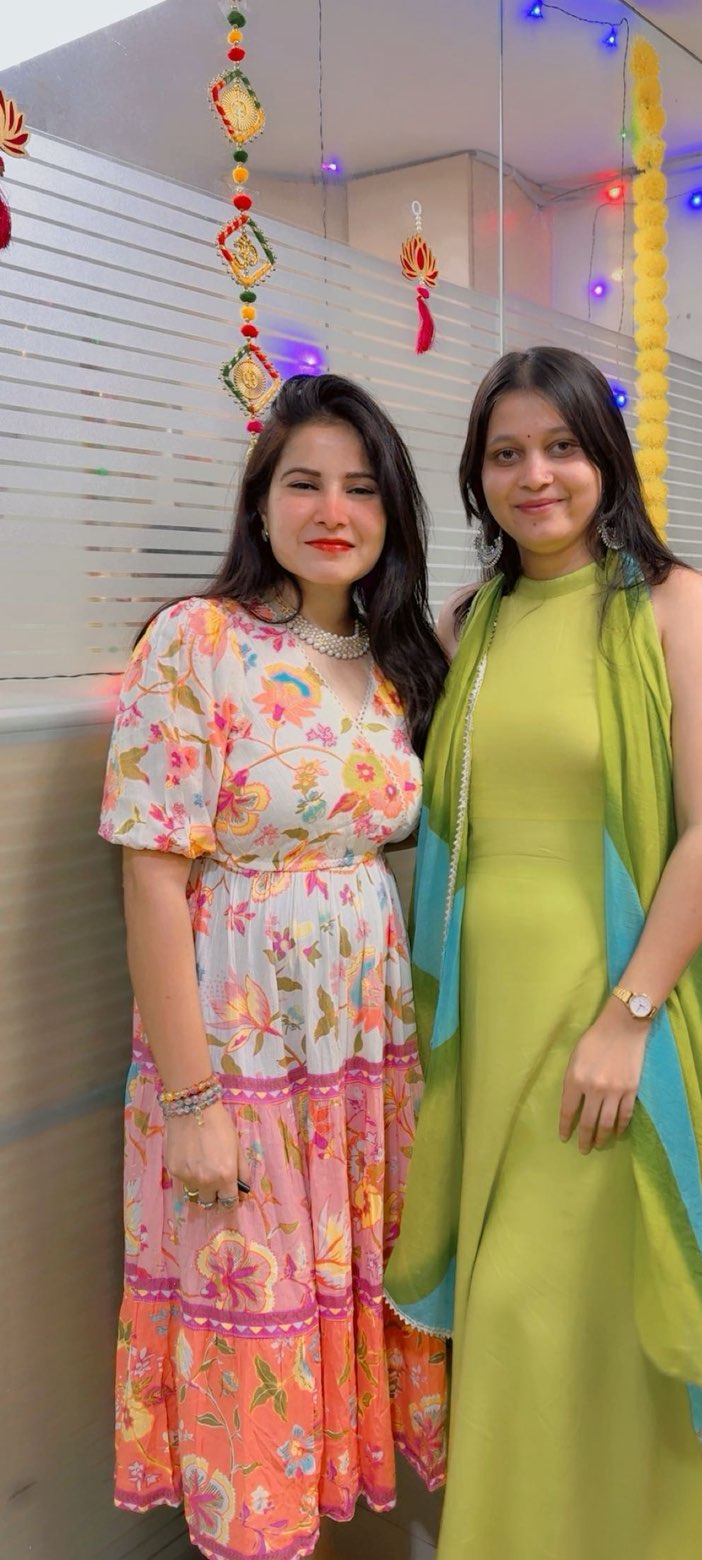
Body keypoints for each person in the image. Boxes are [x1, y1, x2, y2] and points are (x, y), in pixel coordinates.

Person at [385, 346, 702, 1559]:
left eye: (559, 447)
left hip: (607, 1008)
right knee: (511, 1312)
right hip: (482, 1015)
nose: (533, 476)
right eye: (505, 454)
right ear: (476, 476)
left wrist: (626, 1017)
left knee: (566, 1305)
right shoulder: (469, 623)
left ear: (606, 458)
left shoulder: (676, 608)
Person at [99, 373, 448, 1560]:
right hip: (240, 1056)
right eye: (304, 482)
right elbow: (151, 881)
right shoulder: (194, 642)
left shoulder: (394, 659)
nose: (332, 510)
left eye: (360, 487)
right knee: (254, 1322)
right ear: (260, 502)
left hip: (360, 1058)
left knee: (335, 1304)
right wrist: (191, 1101)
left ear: (391, 510)